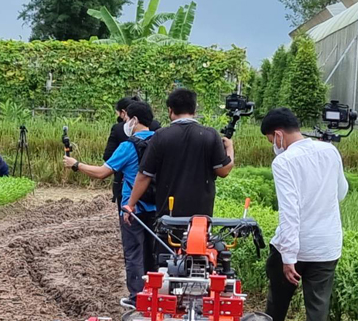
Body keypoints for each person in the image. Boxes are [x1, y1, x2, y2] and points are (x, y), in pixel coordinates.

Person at [261, 108, 349, 321]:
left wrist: (288, 257)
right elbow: (341, 192)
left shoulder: (284, 162)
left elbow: (290, 212)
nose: (274, 145)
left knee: (276, 305)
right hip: (326, 246)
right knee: (318, 309)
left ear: (279, 134)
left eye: (271, 140)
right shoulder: (330, 150)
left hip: (295, 247)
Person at [65, 101, 157, 306]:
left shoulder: (128, 146)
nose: (124, 122)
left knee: (134, 252)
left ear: (134, 119)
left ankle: (137, 298)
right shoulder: (162, 142)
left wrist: (76, 164)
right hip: (159, 208)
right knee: (154, 253)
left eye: (126, 118)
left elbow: (101, 173)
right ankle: (156, 294)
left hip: (132, 209)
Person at [124, 88, 234, 220]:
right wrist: (230, 149)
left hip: (168, 214)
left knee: (168, 241)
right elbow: (223, 171)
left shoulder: (160, 136)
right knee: (197, 240)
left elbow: (144, 176)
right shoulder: (210, 135)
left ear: (170, 110)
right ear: (194, 110)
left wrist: (130, 205)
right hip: (201, 216)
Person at [104, 97, 133, 206]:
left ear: (124, 112)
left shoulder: (118, 129)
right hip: (153, 184)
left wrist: (77, 164)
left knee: (127, 215)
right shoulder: (156, 128)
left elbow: (108, 156)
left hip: (125, 182)